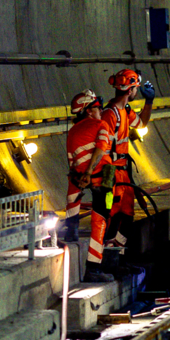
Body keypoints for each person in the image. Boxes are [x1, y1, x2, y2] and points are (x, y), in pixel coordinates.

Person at [83, 69, 156, 271]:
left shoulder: (125, 111)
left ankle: (119, 257)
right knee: (112, 216)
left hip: (122, 172)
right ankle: (105, 261)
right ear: (130, 89)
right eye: (135, 88)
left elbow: (141, 123)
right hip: (111, 174)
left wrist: (149, 104)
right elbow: (102, 145)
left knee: (126, 215)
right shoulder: (111, 113)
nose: (136, 92)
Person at [65, 90, 110, 263]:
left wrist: (81, 177)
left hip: (78, 179)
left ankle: (71, 231)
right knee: (101, 218)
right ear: (89, 111)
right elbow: (101, 148)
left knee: (73, 192)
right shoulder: (101, 125)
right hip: (100, 177)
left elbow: (71, 163)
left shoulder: (72, 132)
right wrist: (90, 172)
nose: (101, 110)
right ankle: (94, 265)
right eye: (98, 107)